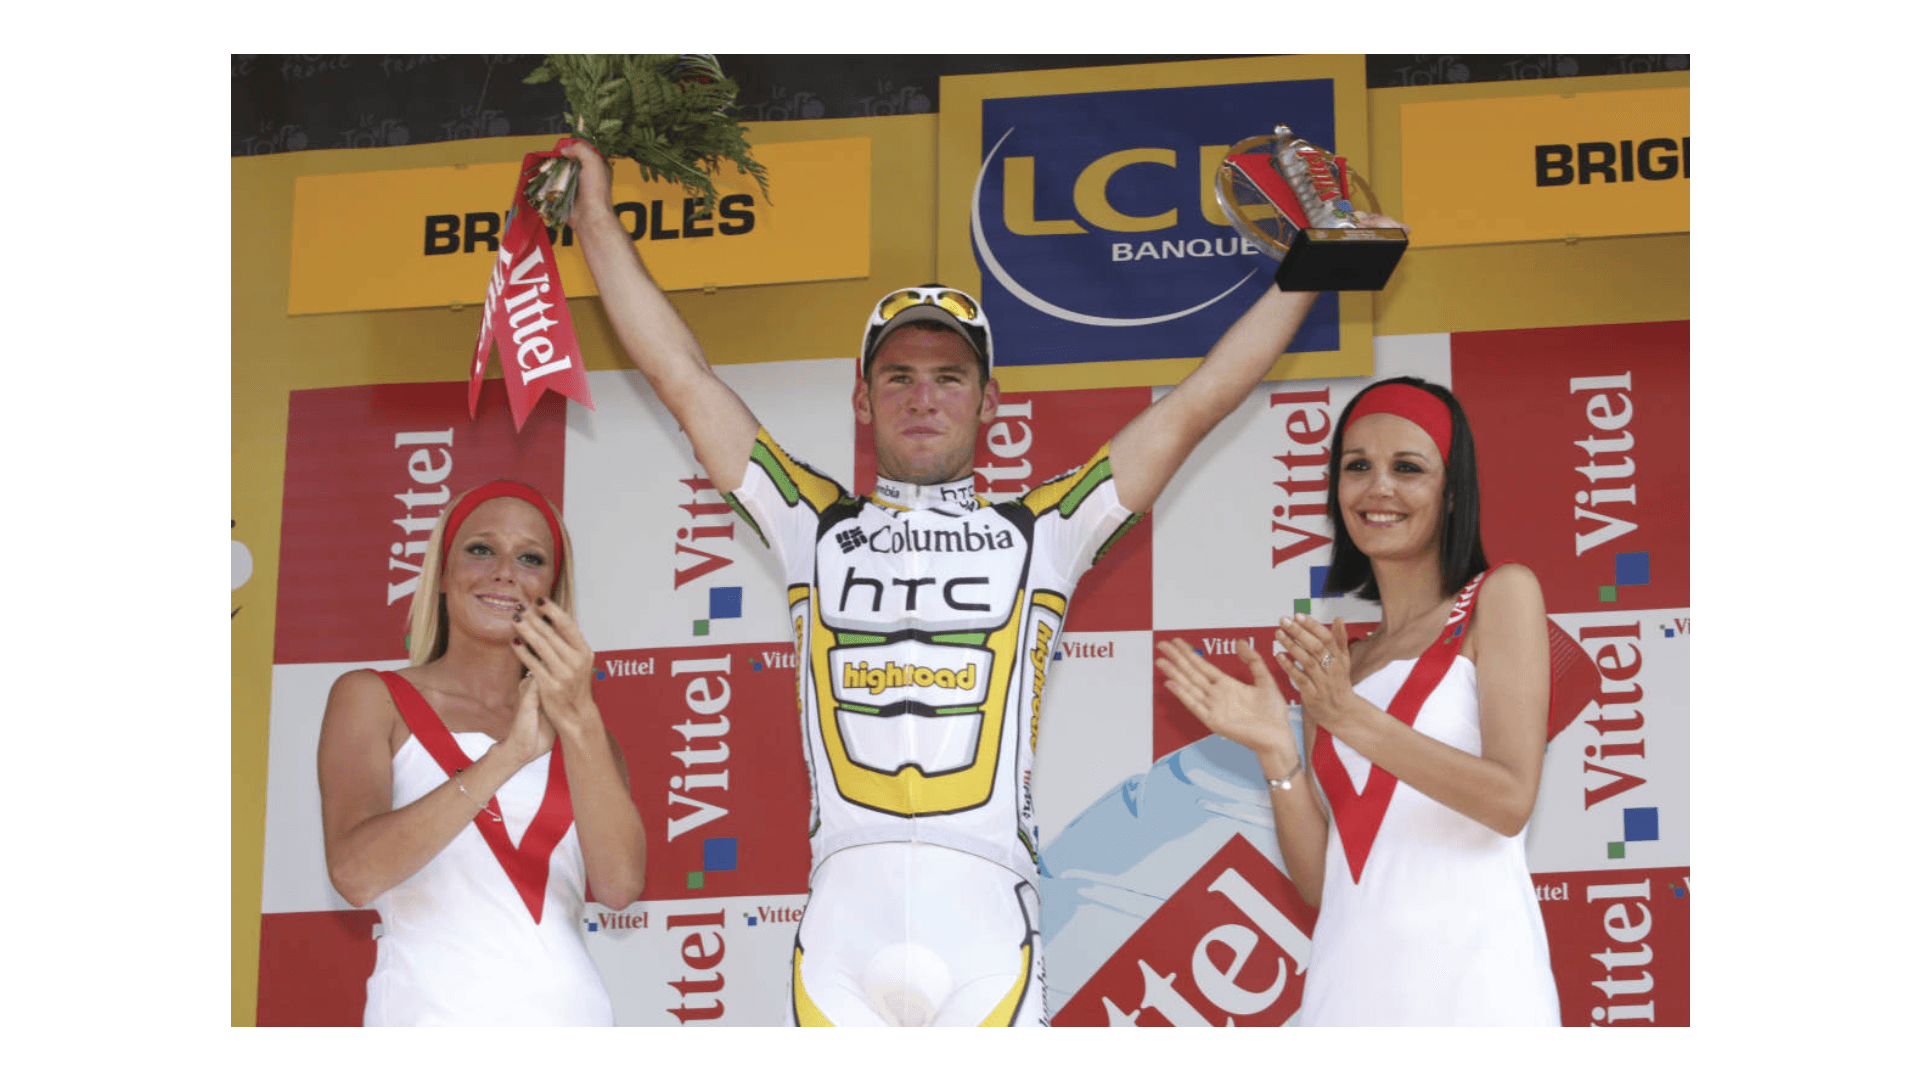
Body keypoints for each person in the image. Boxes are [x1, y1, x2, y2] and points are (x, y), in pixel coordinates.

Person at [559, 139, 1404, 1027]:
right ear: (862, 400)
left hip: (988, 918)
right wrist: (595, 217)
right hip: (843, 919)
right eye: (899, 377)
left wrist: (1309, 272)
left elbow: (1200, 401)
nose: (923, 398)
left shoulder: (1043, 530)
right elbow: (681, 375)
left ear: (988, 402)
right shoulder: (811, 523)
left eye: (949, 378)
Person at [1155, 376, 1560, 1025]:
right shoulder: (1346, 663)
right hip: (1347, 997)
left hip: (1480, 991)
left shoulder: (1500, 596)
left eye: (1408, 468)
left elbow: (1509, 801)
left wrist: (1347, 714)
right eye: (1357, 466)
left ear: (1453, 491)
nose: (1379, 488)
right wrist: (1278, 753)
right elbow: (1326, 882)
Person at [316, 480, 647, 1026]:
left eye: (530, 558)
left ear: (551, 591)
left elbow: (619, 887)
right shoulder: (373, 697)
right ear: (443, 575)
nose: (504, 572)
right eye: (480, 549)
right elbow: (356, 874)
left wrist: (580, 716)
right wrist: (508, 755)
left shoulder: (587, 736)